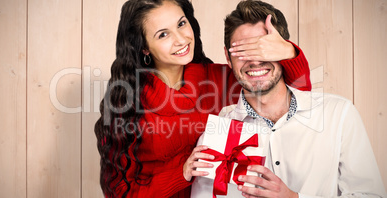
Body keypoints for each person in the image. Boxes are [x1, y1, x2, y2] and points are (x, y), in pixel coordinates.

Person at [94, 0, 311, 197]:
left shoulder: (221, 79)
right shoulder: (125, 103)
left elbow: (294, 99)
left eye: (181, 24)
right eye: (163, 34)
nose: (181, 39)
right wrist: (181, 173)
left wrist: (288, 51)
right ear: (143, 47)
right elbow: (119, 192)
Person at [190, 0, 386, 197]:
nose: (255, 60)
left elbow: (370, 195)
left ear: (284, 50)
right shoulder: (215, 136)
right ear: (227, 56)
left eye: (263, 48)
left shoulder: (338, 114)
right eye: (241, 51)